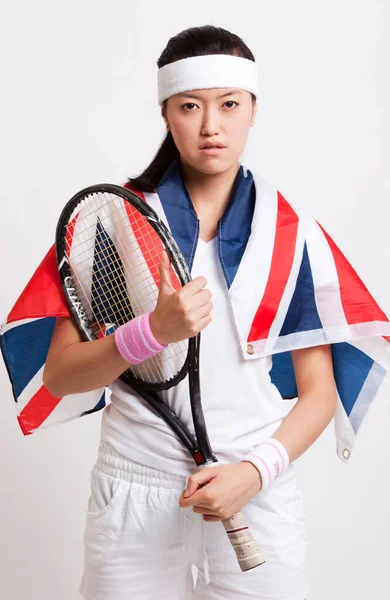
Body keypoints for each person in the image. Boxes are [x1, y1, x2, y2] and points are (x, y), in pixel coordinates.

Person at [2, 24, 389, 600]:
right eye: (190, 106)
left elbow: (318, 394)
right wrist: (151, 331)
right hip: (134, 495)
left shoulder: (290, 236)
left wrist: (256, 472)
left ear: (253, 110)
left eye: (229, 104)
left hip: (255, 490)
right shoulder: (114, 222)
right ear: (166, 114)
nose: (212, 126)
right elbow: (59, 375)